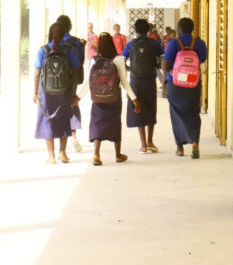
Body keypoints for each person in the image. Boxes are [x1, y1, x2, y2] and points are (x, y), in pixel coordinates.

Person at [75, 33, 140, 166]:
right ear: (112, 43)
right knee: (115, 124)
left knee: (97, 123)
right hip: (114, 97)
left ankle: (96, 155)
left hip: (97, 98)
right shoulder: (119, 59)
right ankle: (118, 155)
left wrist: (78, 97)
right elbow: (124, 82)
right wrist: (134, 99)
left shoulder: (94, 60)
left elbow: (88, 82)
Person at [33, 22, 82, 164]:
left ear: (50, 33)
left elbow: (37, 72)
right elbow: (76, 72)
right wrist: (73, 93)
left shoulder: (43, 50)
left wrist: (35, 92)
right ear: (64, 34)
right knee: (63, 119)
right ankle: (63, 153)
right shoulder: (70, 50)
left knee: (47, 120)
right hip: (64, 91)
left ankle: (51, 156)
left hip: (46, 92)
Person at [162, 18, 208, 159]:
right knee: (193, 112)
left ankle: (180, 148)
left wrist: (172, 70)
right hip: (193, 83)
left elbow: (165, 64)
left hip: (175, 84)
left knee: (176, 113)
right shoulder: (200, 43)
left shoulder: (174, 43)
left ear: (180, 29)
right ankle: (195, 143)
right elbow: (202, 59)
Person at [122, 19, 164, 154]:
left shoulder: (130, 45)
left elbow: (122, 61)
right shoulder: (155, 43)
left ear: (135, 30)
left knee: (138, 109)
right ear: (148, 30)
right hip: (150, 80)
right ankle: (151, 141)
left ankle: (143, 145)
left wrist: (130, 69)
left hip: (136, 81)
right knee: (151, 108)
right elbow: (163, 60)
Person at [56, 15, 85, 153]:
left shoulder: (52, 41)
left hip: (54, 82)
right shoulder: (75, 42)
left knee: (57, 108)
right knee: (72, 104)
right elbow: (80, 62)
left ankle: (59, 137)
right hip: (71, 80)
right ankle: (73, 135)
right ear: (70, 27)